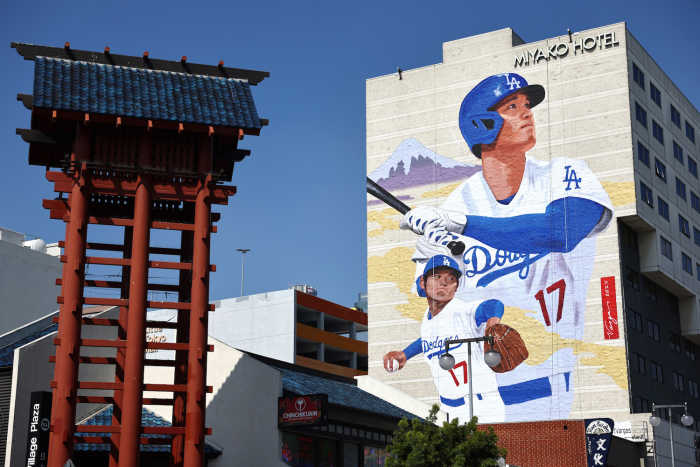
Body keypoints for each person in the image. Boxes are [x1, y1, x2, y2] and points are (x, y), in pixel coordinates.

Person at [398, 73, 614, 422]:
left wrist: (466, 226)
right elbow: (434, 302)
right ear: (481, 124)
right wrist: (434, 249)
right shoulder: (455, 205)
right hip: (467, 392)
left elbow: (560, 232)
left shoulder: (564, 174)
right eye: (512, 107)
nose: (526, 113)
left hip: (547, 381)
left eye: (526, 105)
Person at [383, 254, 506, 423]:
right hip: (447, 409)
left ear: (455, 287)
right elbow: (427, 340)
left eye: (451, 278)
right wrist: (405, 354)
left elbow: (493, 305)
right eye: (436, 276)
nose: (444, 282)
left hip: (481, 406)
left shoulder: (461, 311)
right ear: (422, 283)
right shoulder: (428, 319)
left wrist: (493, 322)